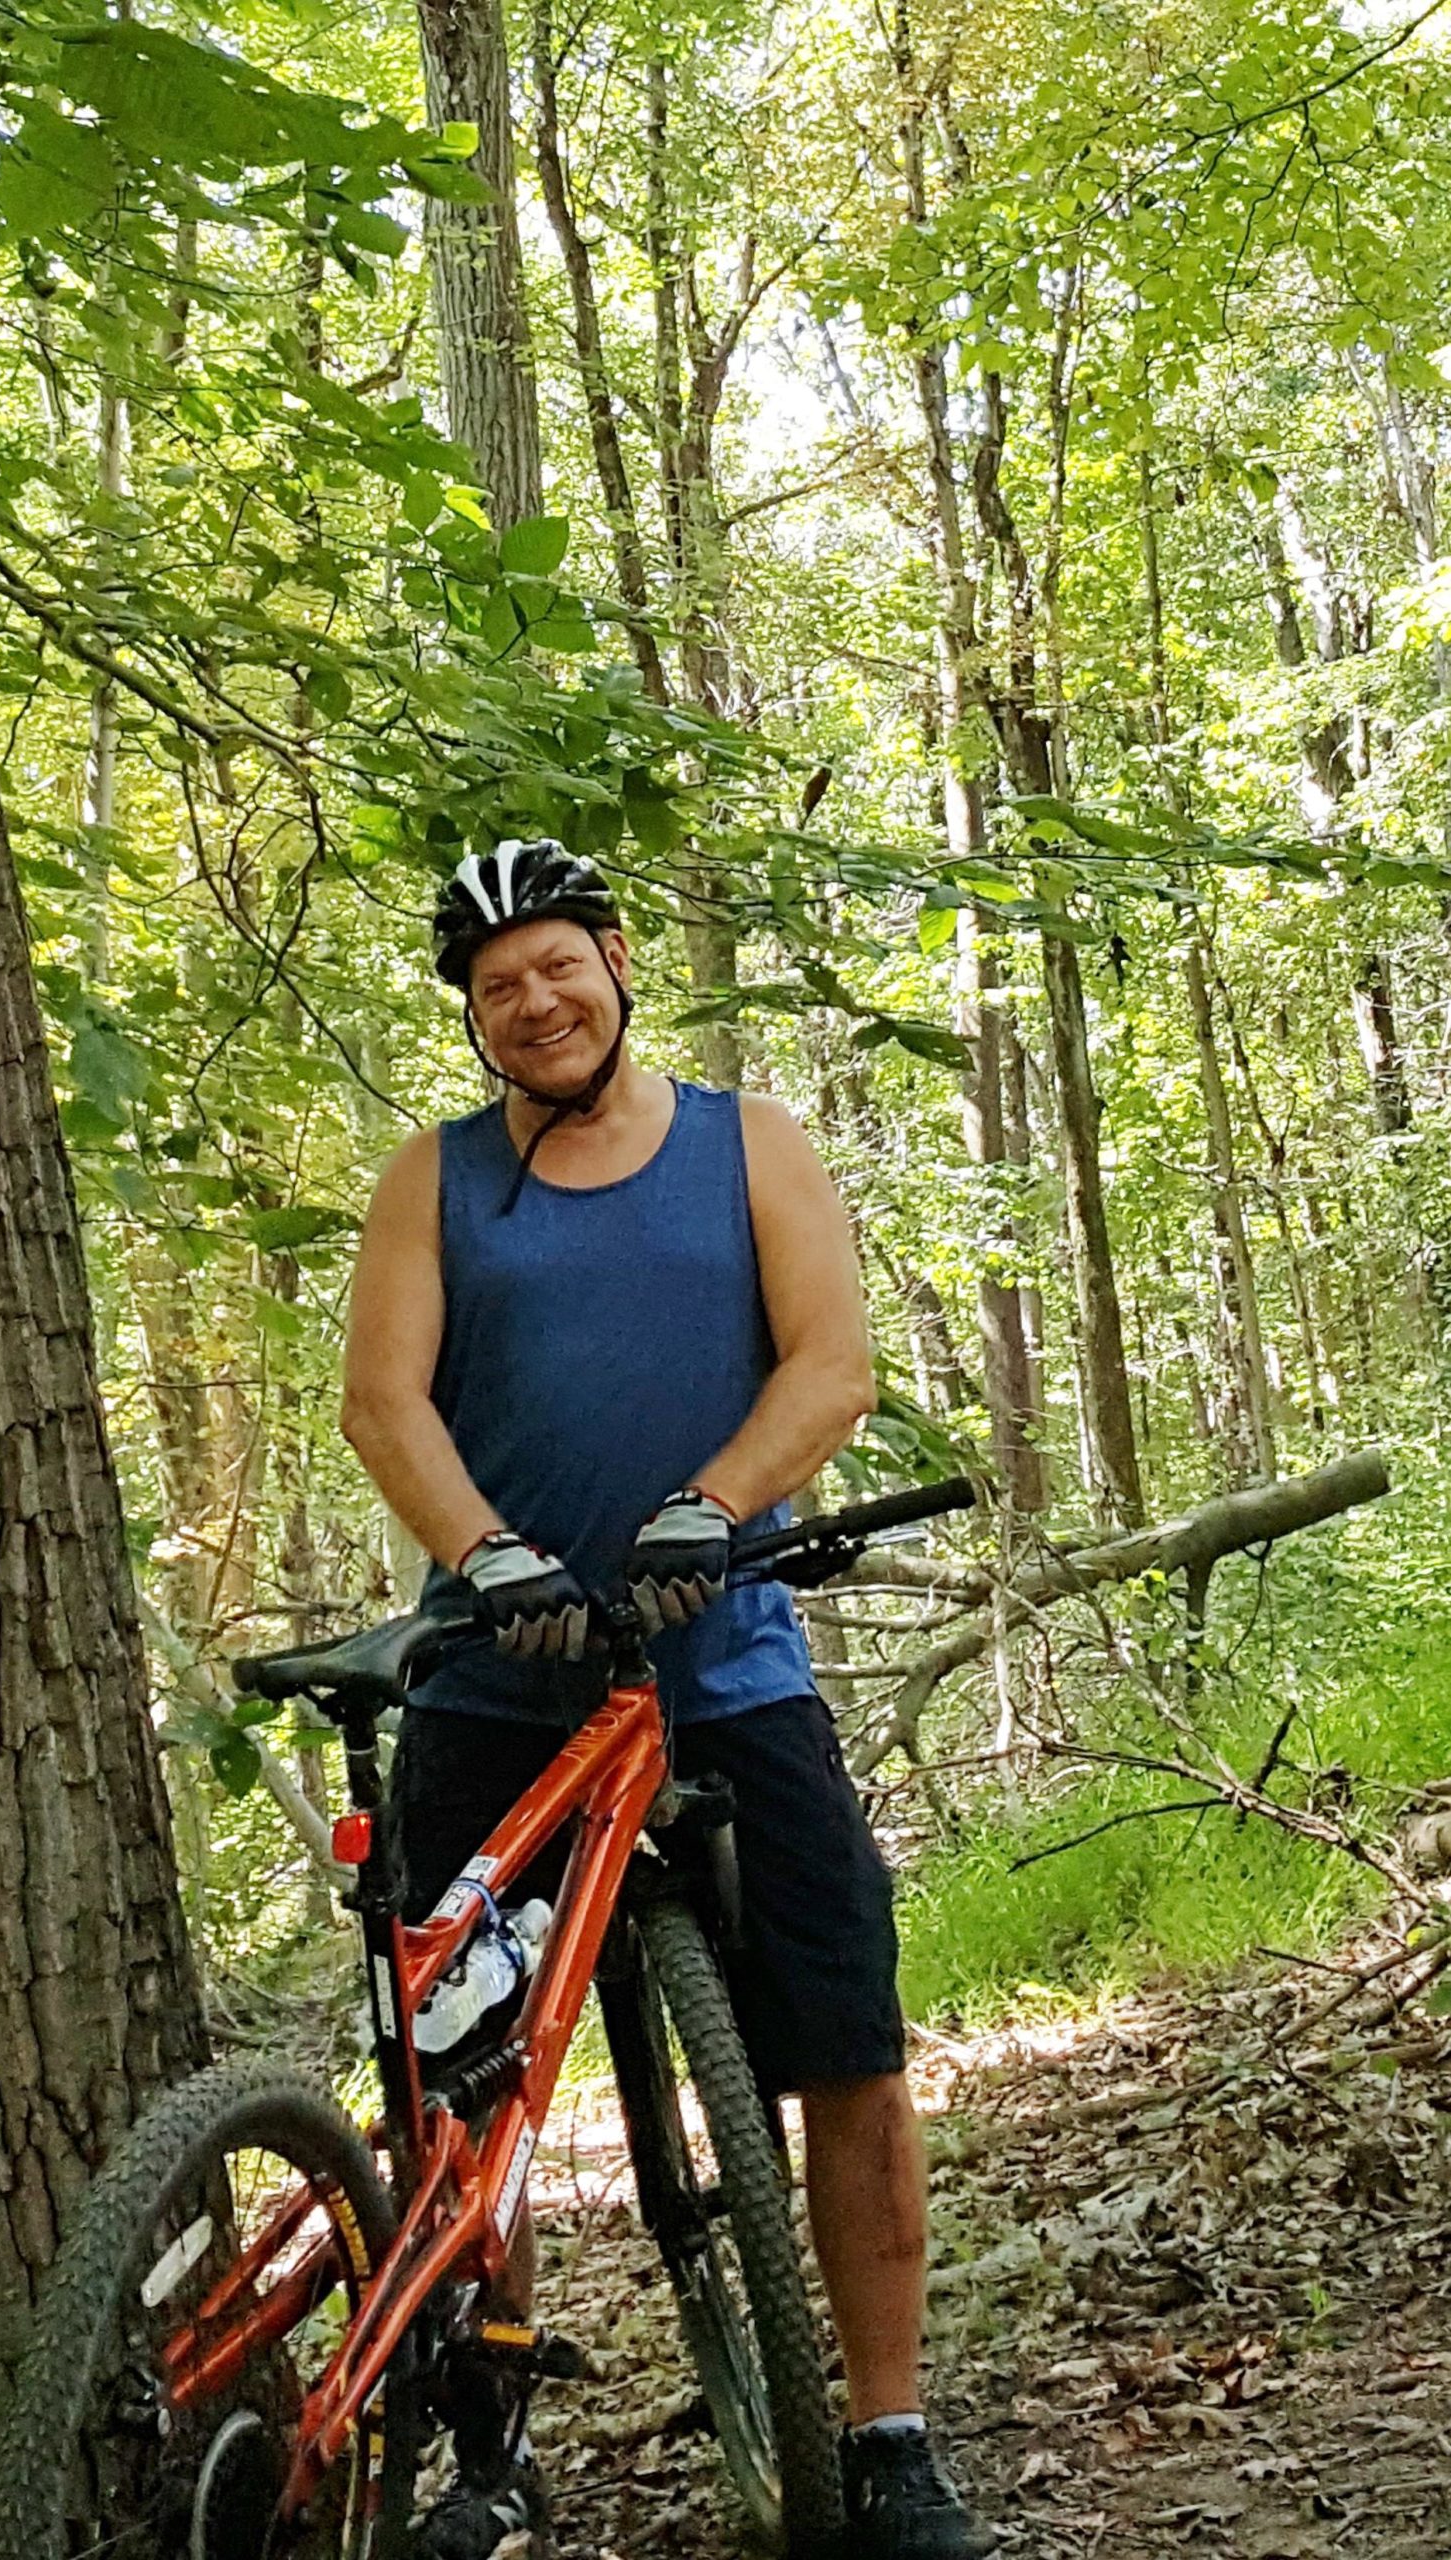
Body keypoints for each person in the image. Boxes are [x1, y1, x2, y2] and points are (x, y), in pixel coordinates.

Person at [340, 840, 995, 2560]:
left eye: (556, 965)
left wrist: (714, 1501)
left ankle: (889, 2438)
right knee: (461, 2076)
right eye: (497, 988)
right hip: (499, 1681)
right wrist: (485, 1556)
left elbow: (828, 1363)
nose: (533, 1003)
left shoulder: (744, 1146)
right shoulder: (436, 1182)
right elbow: (385, 1405)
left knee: (844, 2044)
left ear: (617, 962)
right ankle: (487, 2448)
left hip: (727, 1668)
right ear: (474, 1021)